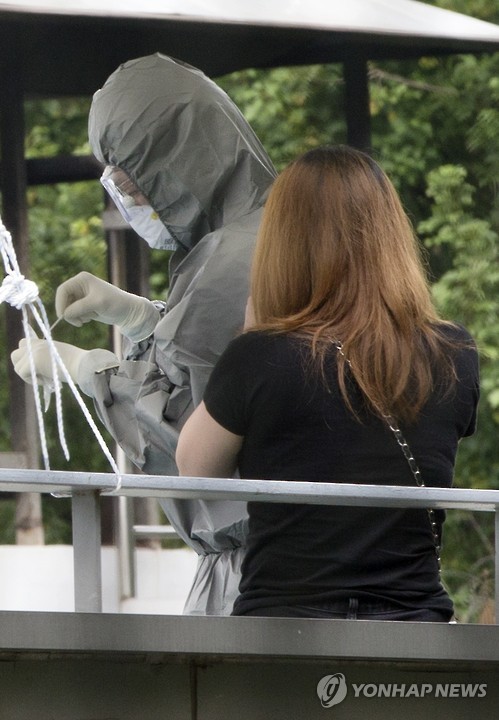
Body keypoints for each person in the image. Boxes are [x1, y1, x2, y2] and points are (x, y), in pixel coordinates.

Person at [12, 53, 276, 615]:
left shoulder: (229, 263)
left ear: (176, 161)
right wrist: (143, 320)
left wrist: (91, 372)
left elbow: (185, 436)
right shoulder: (262, 233)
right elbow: (222, 366)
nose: (130, 200)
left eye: (133, 182)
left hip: (256, 573)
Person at [176, 145, 480, 621]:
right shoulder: (454, 353)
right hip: (415, 626)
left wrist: (253, 336)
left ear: (284, 245)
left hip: (284, 629)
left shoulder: (260, 355)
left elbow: (194, 469)